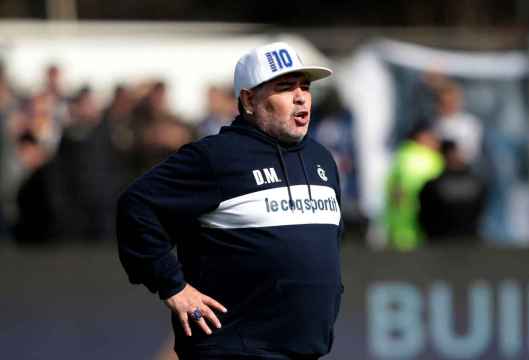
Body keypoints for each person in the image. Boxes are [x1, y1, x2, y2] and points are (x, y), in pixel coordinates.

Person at [117, 41, 343, 360]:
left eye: (305, 87)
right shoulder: (217, 157)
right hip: (234, 349)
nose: (300, 96)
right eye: (284, 87)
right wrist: (173, 287)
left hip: (301, 350)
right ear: (249, 100)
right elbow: (136, 206)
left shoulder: (321, 159)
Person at [383, 121, 444, 251]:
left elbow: (394, 190)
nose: (437, 141)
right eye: (433, 136)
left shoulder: (401, 154)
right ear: (422, 137)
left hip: (399, 226)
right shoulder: (432, 158)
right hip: (422, 225)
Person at [418, 140, 488, 243]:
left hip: (439, 243)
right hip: (470, 242)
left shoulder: (432, 185)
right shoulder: (478, 183)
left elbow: (424, 216)